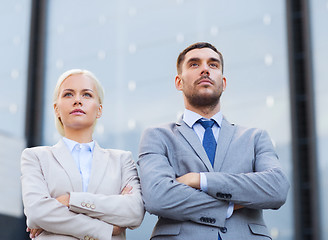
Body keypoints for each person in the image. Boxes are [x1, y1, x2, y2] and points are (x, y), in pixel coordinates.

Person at [138, 42, 290, 239]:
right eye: (194, 64)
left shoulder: (255, 137)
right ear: (178, 82)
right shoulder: (157, 136)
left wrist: (200, 180)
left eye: (213, 65)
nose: (204, 70)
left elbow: (276, 188)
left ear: (223, 82)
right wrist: (230, 205)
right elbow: (157, 197)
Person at [21, 69, 144, 240]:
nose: (77, 100)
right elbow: (36, 213)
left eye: (86, 95)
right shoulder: (36, 157)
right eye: (68, 94)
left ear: (99, 109)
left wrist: (71, 200)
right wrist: (105, 230)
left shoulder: (122, 160)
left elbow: (134, 212)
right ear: (56, 109)